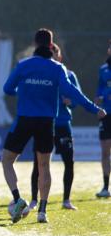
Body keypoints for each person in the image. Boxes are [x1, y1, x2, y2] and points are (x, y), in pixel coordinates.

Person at [2, 29, 106, 224]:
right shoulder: (58, 69)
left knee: (7, 160)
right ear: (51, 45)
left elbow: (7, 89)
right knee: (44, 165)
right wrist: (95, 109)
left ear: (35, 44)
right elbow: (73, 93)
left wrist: (27, 91)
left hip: (24, 118)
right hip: (46, 121)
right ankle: (42, 211)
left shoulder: (24, 65)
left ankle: (18, 200)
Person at [27, 44, 79, 211]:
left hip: (63, 125)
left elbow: (78, 98)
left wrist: (70, 101)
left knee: (69, 162)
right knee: (38, 163)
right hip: (45, 125)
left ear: (60, 57)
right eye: (51, 53)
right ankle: (34, 199)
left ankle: (66, 200)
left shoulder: (70, 75)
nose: (53, 56)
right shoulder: (43, 75)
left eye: (55, 53)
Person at [95, 40, 111, 198]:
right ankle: (106, 187)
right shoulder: (103, 69)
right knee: (105, 151)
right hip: (106, 115)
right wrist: (99, 98)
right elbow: (99, 89)